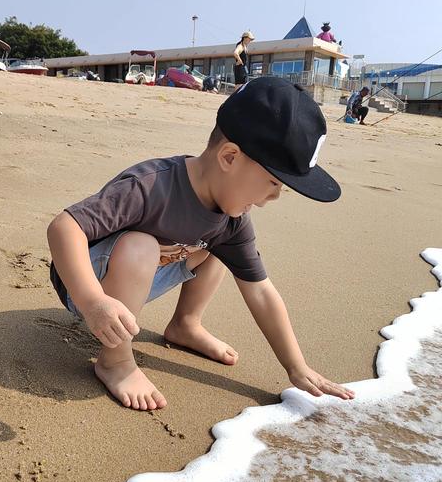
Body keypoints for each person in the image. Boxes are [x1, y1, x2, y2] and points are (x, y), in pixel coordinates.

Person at [47, 77, 355, 411]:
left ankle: (185, 325)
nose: (273, 198)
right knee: (141, 246)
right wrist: (92, 302)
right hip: (84, 283)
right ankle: (115, 362)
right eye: (272, 182)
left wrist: (297, 367)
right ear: (229, 157)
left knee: (221, 248)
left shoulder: (232, 219)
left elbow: (261, 292)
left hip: (141, 280)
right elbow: (64, 227)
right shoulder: (151, 186)